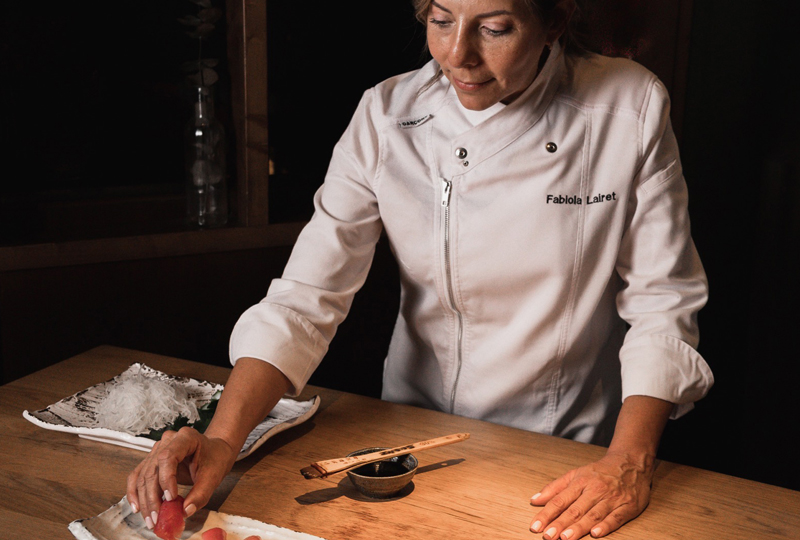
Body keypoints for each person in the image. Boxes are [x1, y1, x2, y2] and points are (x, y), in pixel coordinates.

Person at [127, 1, 713, 538]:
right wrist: (223, 438)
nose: (458, 54)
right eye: (440, 20)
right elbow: (307, 295)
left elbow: (664, 301)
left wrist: (629, 461)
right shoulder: (386, 113)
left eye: (494, 28)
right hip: (406, 444)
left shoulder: (627, 107)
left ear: (553, 22)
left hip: (563, 450)